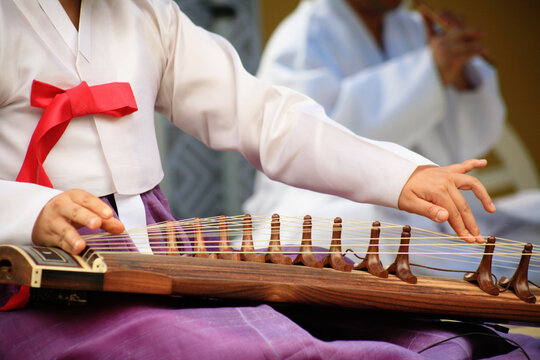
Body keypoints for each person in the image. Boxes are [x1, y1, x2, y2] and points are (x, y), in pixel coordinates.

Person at [1, 0, 537, 358]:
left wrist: (401, 174)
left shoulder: (144, 11)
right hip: (33, 270)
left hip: (156, 248)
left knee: (435, 338)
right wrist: (33, 212)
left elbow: (263, 115)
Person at [243, 0, 540, 280]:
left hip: (428, 208)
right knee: (369, 226)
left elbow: (465, 144)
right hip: (324, 201)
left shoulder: (412, 29)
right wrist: (428, 72)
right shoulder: (303, 38)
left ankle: (489, 267)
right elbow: (316, 143)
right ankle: (492, 272)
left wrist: (460, 77)